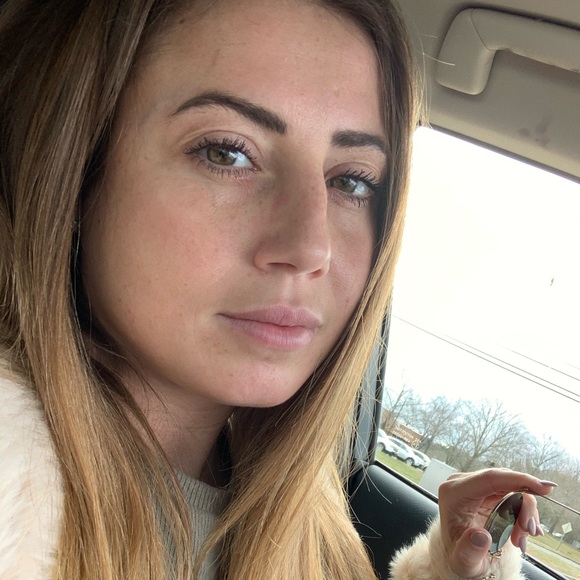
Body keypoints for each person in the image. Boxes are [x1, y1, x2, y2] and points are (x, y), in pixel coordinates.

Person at [0, 0, 555, 578]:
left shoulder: (305, 516)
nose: (312, 247)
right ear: (74, 167)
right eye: (226, 151)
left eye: (351, 181)